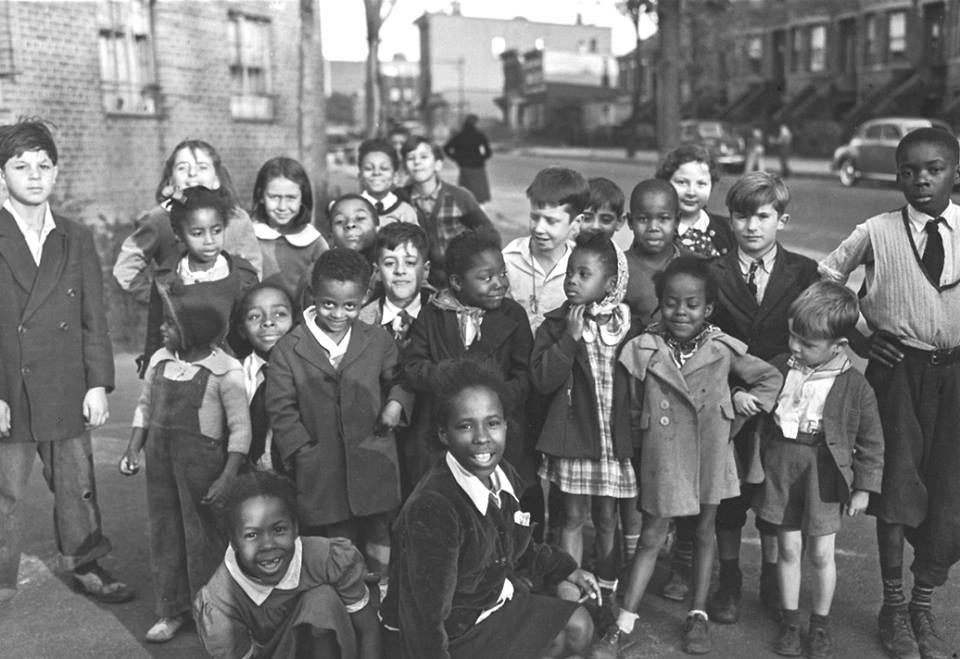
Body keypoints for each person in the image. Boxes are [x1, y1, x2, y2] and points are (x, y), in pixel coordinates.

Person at [818, 126, 960, 659]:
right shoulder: (877, 230)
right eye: (909, 171)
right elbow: (826, 276)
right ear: (897, 176)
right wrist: (860, 337)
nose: (921, 179)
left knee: (949, 488)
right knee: (895, 486)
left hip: (955, 377)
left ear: (956, 173)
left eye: (934, 169)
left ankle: (924, 602)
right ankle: (894, 605)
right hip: (897, 373)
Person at [594, 256, 782, 656]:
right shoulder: (643, 349)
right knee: (651, 536)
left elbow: (770, 378)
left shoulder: (721, 348)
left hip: (709, 455)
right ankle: (623, 622)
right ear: (660, 304)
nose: (681, 311)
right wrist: (631, 450)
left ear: (708, 308)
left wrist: (737, 413)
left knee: (702, 533)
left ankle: (697, 614)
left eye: (692, 304)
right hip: (662, 457)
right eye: (672, 302)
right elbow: (628, 409)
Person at [381, 358, 599, 659]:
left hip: (492, 602)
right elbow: (424, 616)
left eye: (492, 423)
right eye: (465, 426)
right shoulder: (434, 506)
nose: (482, 437)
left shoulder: (503, 474)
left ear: (506, 425)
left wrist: (568, 570)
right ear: (444, 434)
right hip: (455, 632)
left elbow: (517, 545)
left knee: (578, 627)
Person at [0, 120, 133, 607]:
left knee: (77, 486)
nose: (34, 176)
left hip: (65, 381)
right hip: (9, 387)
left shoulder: (74, 236)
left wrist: (97, 383)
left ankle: (87, 563)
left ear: (56, 173)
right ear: (1, 175)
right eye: (21, 166)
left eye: (44, 166)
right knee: (5, 493)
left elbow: (92, 316)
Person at [705, 171, 820, 625]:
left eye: (763, 216)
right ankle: (729, 579)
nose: (752, 226)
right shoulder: (711, 273)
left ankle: (773, 578)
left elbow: (815, 337)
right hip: (727, 402)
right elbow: (704, 337)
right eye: (741, 216)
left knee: (777, 497)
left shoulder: (803, 271)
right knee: (729, 499)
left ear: (781, 219)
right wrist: (733, 389)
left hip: (785, 404)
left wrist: (774, 386)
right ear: (729, 220)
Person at [266, 248, 411, 596]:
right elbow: (281, 409)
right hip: (321, 464)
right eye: (329, 304)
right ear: (314, 295)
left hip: (372, 456)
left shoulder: (376, 339)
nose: (338, 314)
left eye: (350, 306)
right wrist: (302, 451)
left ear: (363, 300)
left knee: (379, 528)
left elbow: (400, 380)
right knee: (337, 538)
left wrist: (395, 404)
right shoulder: (289, 349)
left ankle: (383, 594)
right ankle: (348, 600)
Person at [753, 281, 884, 659]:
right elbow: (761, 399)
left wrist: (863, 488)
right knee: (789, 548)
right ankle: (791, 623)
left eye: (807, 344)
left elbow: (873, 441)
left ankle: (821, 625)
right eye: (793, 336)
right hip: (781, 466)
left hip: (822, 475)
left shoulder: (854, 387)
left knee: (822, 554)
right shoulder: (781, 366)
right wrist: (745, 397)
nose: (795, 347)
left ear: (838, 346)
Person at [120, 295, 251, 642]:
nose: (161, 330)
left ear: (193, 332)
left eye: (170, 325)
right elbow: (144, 407)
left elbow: (240, 429)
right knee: (165, 534)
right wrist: (133, 447)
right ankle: (171, 610)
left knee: (204, 539)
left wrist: (228, 475)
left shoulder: (225, 370)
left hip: (203, 469)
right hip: (160, 466)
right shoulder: (160, 361)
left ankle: (213, 611)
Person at [530, 232, 640, 617]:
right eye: (570, 273)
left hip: (613, 443)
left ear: (609, 285)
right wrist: (569, 341)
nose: (572, 281)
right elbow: (542, 380)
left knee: (607, 519)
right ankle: (569, 596)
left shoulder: (628, 326)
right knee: (573, 517)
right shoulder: (558, 325)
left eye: (584, 274)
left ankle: (606, 594)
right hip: (576, 439)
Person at [403, 229, 536, 502]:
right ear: (457, 282)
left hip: (498, 433)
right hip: (444, 435)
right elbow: (414, 367)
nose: (499, 283)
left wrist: (493, 398)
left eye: (502, 274)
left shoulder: (514, 315)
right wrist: (449, 376)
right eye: (486, 278)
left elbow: (524, 375)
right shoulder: (433, 315)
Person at [194, 470, 382, 659]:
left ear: (295, 528)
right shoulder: (222, 600)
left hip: (325, 648)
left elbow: (368, 630)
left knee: (322, 599)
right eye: (251, 535)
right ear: (233, 541)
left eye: (279, 529)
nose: (268, 545)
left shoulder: (326, 558)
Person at [112, 138, 262, 303]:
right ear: (171, 180)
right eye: (182, 168)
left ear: (217, 179)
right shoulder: (159, 219)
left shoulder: (236, 218)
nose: (192, 174)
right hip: (179, 319)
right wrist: (158, 299)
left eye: (202, 167)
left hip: (229, 315)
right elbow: (125, 268)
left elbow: (253, 267)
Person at [140, 186, 259, 376]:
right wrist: (152, 375)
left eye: (217, 230)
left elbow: (255, 332)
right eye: (197, 233)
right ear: (178, 234)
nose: (209, 240)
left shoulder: (242, 277)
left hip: (234, 376)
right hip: (182, 376)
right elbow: (156, 334)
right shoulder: (166, 279)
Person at [358, 222, 433, 495]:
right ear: (377, 272)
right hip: (377, 433)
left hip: (429, 436)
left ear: (425, 270)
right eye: (390, 263)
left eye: (410, 262)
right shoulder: (362, 321)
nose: (400, 271)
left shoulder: (444, 315)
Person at [401, 135, 497, 287]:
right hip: (419, 282)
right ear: (405, 167)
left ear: (438, 164)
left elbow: (489, 234)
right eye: (411, 158)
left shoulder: (459, 197)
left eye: (424, 157)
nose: (417, 162)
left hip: (460, 281)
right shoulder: (401, 199)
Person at [502, 166, 587, 332]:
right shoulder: (507, 260)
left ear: (576, 223)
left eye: (551, 221)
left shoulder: (584, 266)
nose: (539, 228)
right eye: (534, 217)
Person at [235, 282, 296, 473]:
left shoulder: (308, 372)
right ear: (242, 330)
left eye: (279, 314)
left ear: (295, 322)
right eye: (255, 316)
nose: (268, 322)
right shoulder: (234, 374)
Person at [250, 156, 328, 301]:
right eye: (274, 197)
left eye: (291, 198)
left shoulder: (314, 242)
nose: (282, 207)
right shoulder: (249, 236)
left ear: (302, 198)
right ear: (261, 196)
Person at [623, 179, 694, 331]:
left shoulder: (695, 264)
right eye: (643, 219)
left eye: (663, 219)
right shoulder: (619, 267)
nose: (653, 228)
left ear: (677, 220)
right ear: (630, 221)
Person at [656, 143, 735, 259]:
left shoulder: (726, 228)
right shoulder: (656, 228)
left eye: (701, 184)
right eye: (682, 182)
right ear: (666, 182)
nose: (691, 192)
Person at [357, 139, 418, 226]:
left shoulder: (406, 212)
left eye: (384, 168)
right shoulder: (350, 210)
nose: (376, 172)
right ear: (360, 176)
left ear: (395, 176)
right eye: (369, 168)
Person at [443, 114, 493, 204]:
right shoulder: (479, 135)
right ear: (475, 123)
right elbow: (488, 152)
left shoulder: (459, 136)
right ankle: (479, 211)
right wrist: (481, 158)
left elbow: (446, 148)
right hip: (478, 166)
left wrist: (456, 158)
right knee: (479, 194)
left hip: (465, 166)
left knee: (466, 192)